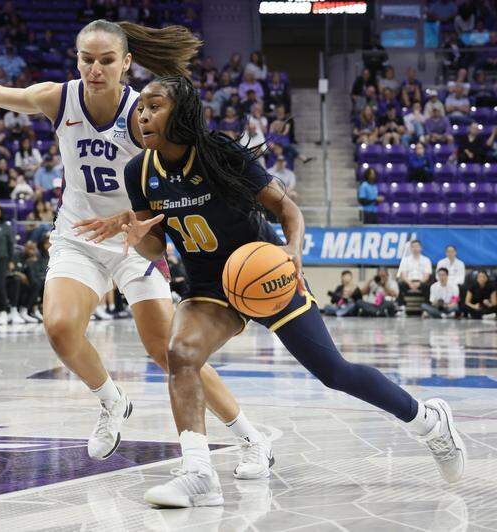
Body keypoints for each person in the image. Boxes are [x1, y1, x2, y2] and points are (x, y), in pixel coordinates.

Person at [0, 20, 269, 471]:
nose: (95, 69)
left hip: (136, 239)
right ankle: (112, 401)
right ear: (77, 60)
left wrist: (137, 223)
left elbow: (175, 186)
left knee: (168, 352)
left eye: (107, 60)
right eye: (87, 59)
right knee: (58, 327)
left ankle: (251, 438)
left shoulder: (145, 115)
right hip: (78, 234)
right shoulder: (60, 98)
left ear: (126, 63)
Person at [109, 75, 466, 506]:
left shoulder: (221, 154)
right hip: (208, 287)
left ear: (181, 113)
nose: (143, 114)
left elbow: (286, 208)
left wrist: (293, 251)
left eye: (155, 105)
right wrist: (137, 234)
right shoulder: (138, 172)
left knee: (334, 373)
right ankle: (198, 474)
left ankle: (428, 421)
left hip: (264, 273)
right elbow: (155, 245)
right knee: (180, 355)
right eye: (141, 107)